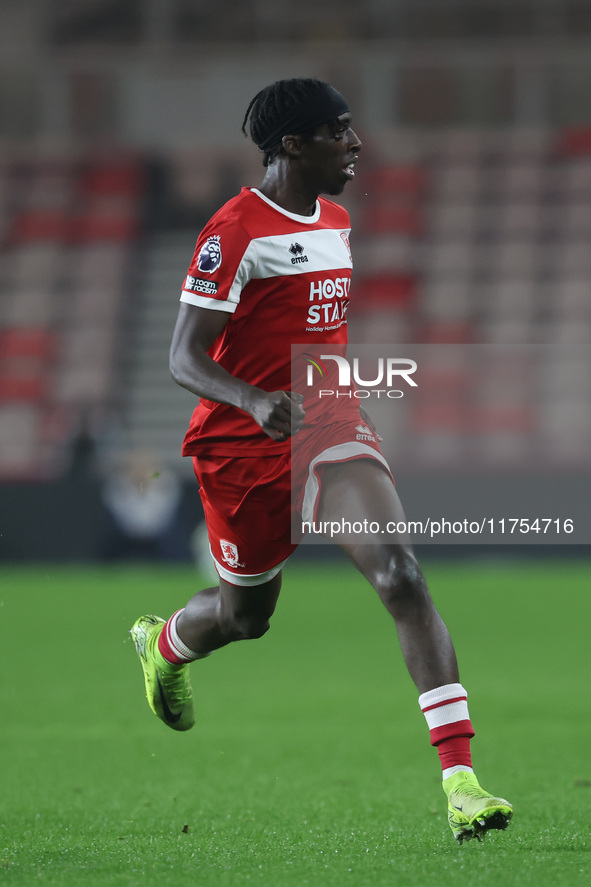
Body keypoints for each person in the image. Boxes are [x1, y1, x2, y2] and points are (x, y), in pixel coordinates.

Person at [130, 78, 512, 845]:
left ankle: (460, 783)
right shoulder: (233, 230)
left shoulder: (335, 218)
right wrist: (251, 400)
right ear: (293, 145)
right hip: (242, 443)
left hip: (328, 419)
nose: (357, 143)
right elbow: (183, 355)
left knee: (400, 573)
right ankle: (165, 641)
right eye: (340, 131)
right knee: (246, 616)